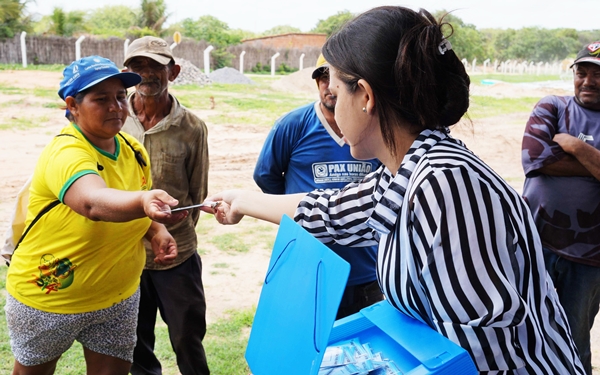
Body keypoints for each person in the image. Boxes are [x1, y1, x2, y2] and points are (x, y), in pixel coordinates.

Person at [200, 6, 586, 374]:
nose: (330, 107)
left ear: (365, 96)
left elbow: (481, 354)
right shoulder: (408, 170)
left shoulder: (445, 186)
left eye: (335, 92)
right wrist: (241, 201)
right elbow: (331, 211)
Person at [4, 55, 186, 375]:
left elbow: (132, 200)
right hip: (51, 298)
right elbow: (93, 202)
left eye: (119, 96)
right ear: (73, 105)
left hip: (117, 298)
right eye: (101, 99)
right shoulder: (66, 153)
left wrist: (156, 231)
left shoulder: (132, 150)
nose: (116, 107)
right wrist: (144, 200)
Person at [253, 54, 383, 319]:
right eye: (322, 78)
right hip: (308, 267)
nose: (328, 85)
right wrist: (298, 213)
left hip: (365, 270)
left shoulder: (374, 128)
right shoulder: (294, 124)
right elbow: (266, 176)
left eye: (334, 78)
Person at [121, 36, 210, 375]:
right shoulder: (112, 121)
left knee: (188, 337)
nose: (146, 74)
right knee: (134, 341)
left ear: (173, 71)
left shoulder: (192, 128)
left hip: (178, 255)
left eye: (155, 66)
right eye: (137, 66)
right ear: (126, 72)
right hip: (126, 253)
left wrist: (175, 235)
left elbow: (196, 193)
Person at [521, 41, 600, 375]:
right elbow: (534, 157)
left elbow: (551, 157)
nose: (588, 81)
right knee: (524, 330)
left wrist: (575, 146)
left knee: (571, 340)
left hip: (589, 259)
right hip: (534, 245)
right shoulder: (551, 106)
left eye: (598, 75)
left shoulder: (567, 128)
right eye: (582, 72)